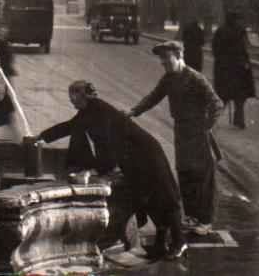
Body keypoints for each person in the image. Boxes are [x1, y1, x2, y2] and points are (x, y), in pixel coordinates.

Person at [33, 81, 188, 259]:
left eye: (72, 97)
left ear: (80, 96)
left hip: (146, 155)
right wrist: (41, 137)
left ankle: (179, 243)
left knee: (163, 196)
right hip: (135, 157)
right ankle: (161, 245)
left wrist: (94, 170)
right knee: (148, 198)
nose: (70, 101)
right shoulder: (90, 111)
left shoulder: (99, 111)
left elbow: (106, 146)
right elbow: (69, 126)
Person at [126, 41, 224, 237]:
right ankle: (192, 216)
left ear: (179, 56)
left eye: (166, 57)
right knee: (185, 173)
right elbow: (154, 96)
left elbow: (217, 104)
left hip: (198, 133)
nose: (163, 62)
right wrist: (134, 111)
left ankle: (205, 221)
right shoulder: (169, 79)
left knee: (204, 177)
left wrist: (207, 127)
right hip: (181, 131)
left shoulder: (196, 79)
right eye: (161, 58)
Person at [212, 12, 256, 129]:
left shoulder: (220, 32)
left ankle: (213, 119)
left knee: (223, 97)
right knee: (239, 97)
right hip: (239, 70)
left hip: (225, 70)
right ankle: (239, 119)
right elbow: (242, 50)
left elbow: (215, 50)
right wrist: (245, 64)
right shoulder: (239, 32)